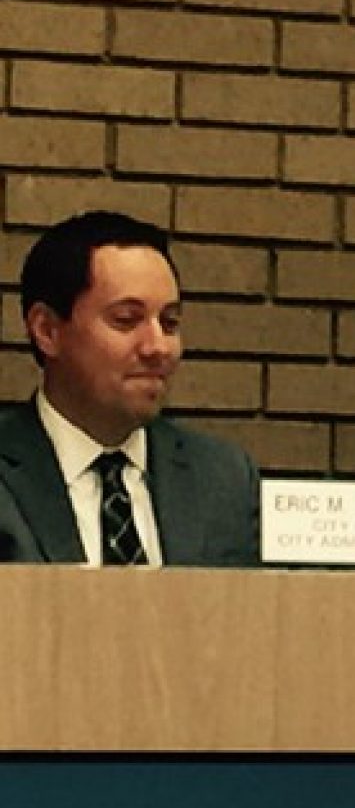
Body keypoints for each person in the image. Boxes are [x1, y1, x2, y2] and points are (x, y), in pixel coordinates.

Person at [0, 210, 259, 567]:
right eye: (126, 320)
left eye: (169, 323)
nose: (158, 347)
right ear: (47, 330)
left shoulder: (221, 479)